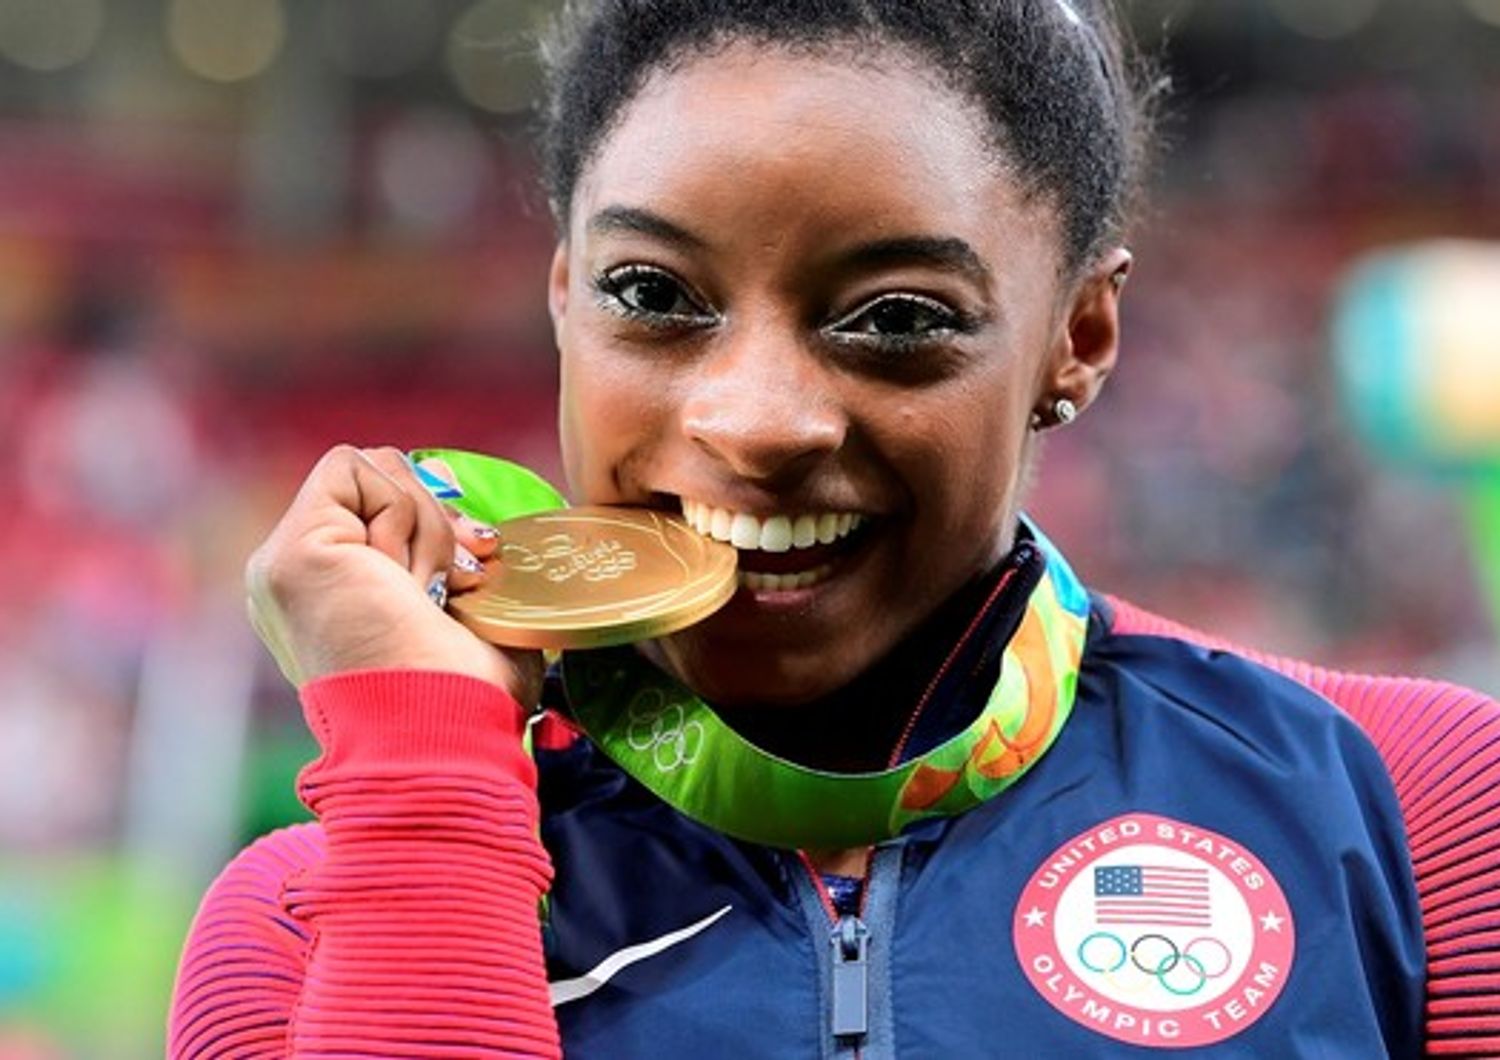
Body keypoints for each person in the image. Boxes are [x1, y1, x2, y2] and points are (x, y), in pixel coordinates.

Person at [168, 1, 1500, 1056]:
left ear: (1077, 338)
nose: (756, 422)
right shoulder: (310, 921)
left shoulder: (1411, 808)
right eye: (653, 292)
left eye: (899, 316)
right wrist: (428, 779)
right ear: (566, 298)